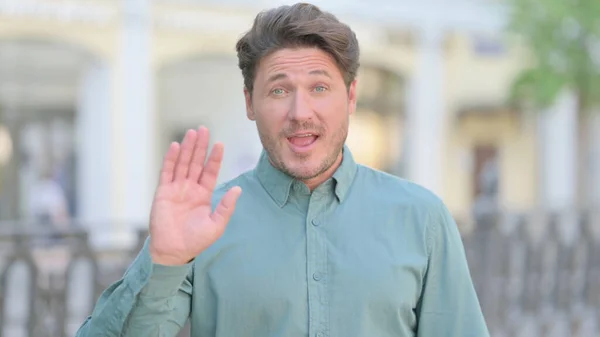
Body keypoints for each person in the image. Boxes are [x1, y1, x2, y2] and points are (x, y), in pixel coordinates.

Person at [75, 3, 489, 336]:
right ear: (250, 103)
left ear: (351, 97)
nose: (299, 112)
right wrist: (164, 261)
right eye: (278, 90)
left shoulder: (422, 218)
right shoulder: (201, 226)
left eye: (319, 88)